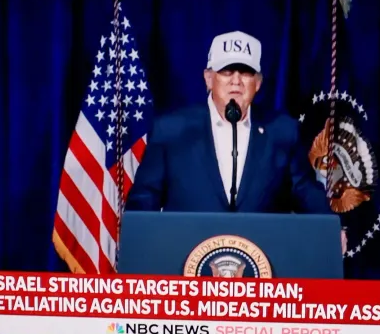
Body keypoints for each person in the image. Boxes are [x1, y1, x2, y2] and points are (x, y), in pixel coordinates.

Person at [125, 31, 332, 215]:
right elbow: (143, 200)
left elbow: (306, 192)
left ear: (258, 83)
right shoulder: (171, 130)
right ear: (208, 78)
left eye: (245, 72)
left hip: (261, 255)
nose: (236, 80)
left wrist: (330, 227)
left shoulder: (283, 131)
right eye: (226, 71)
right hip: (186, 255)